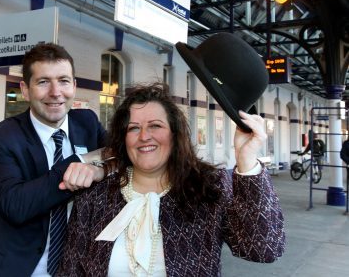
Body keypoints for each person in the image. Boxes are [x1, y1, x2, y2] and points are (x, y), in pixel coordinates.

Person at [57, 83, 285, 277]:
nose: (144, 136)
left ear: (175, 135)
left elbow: (264, 248)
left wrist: (246, 161)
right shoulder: (96, 195)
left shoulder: (207, 188)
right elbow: (71, 270)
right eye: (134, 128)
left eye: (155, 126)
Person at [0, 43, 107, 277]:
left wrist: (100, 169)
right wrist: (81, 160)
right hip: (13, 265)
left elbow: (119, 154)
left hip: (74, 265)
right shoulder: (1, 139)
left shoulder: (87, 121)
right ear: (25, 90)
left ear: (74, 86)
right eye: (43, 82)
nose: (56, 92)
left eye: (63, 81)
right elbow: (16, 205)